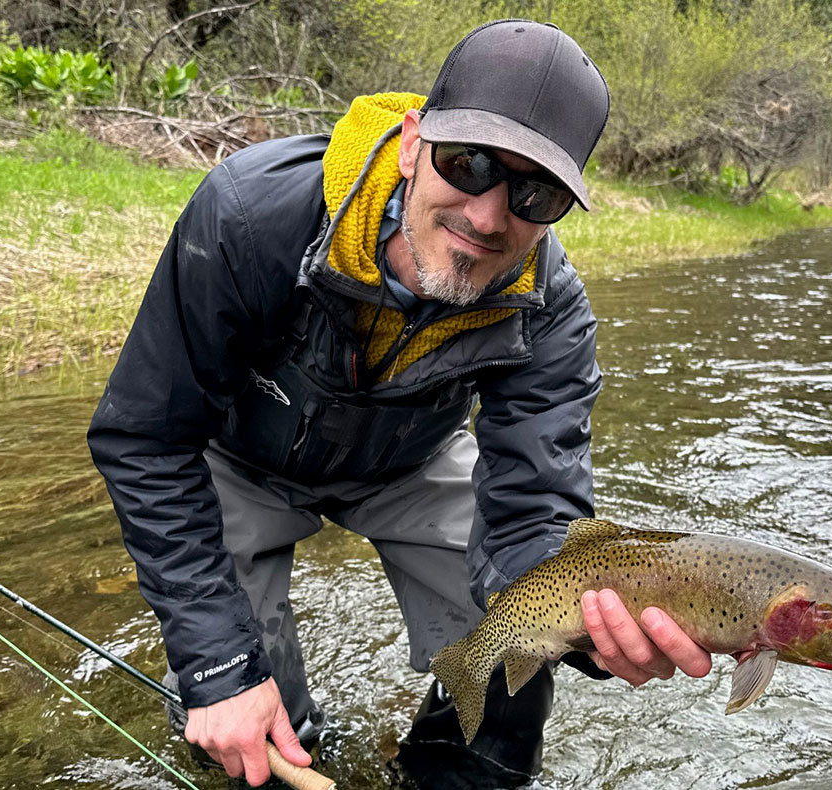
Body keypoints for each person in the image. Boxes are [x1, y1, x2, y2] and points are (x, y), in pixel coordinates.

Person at [88, 19, 710, 790]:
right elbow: (146, 437)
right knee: (241, 704)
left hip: (411, 463)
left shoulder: (548, 309)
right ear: (415, 141)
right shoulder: (250, 218)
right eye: (470, 162)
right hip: (238, 456)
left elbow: (530, 516)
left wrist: (596, 632)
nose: (488, 216)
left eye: (534, 192)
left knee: (524, 646)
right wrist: (217, 667)